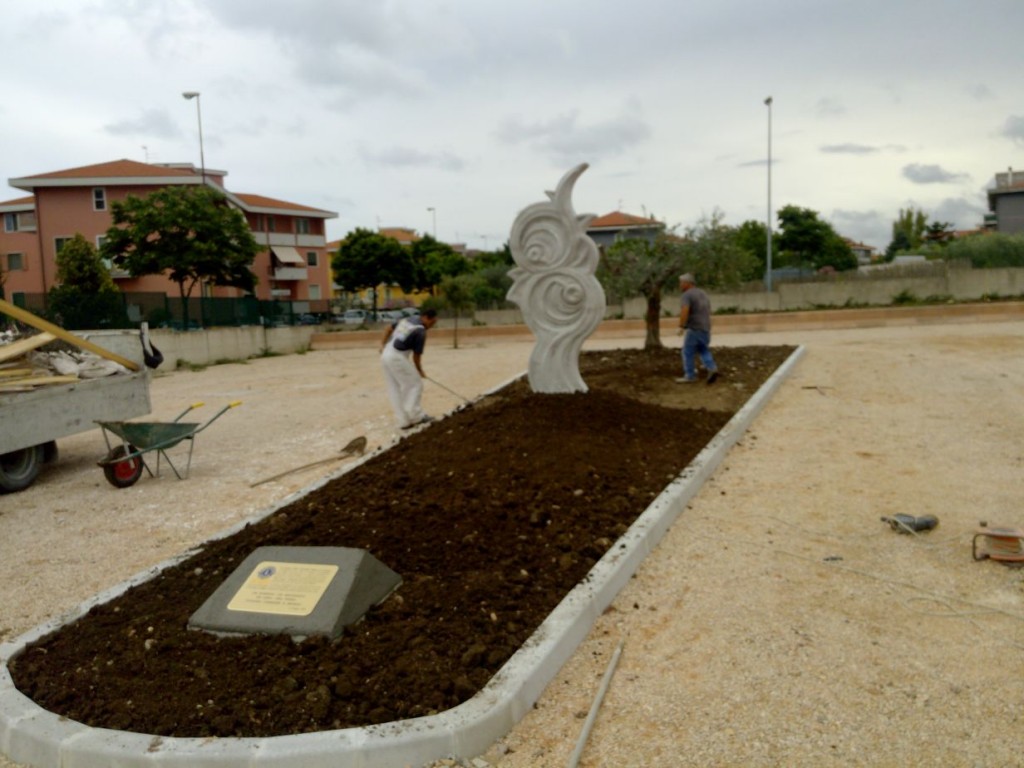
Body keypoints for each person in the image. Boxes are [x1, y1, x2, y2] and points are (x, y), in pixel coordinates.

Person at [380, 308, 439, 429]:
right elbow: (416, 356)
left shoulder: (408, 320)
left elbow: (388, 328)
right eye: (432, 323)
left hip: (386, 354)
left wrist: (382, 345)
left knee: (394, 388)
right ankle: (417, 416)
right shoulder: (420, 332)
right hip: (397, 356)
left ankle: (404, 421)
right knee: (415, 384)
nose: (431, 326)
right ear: (427, 318)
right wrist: (420, 371)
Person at [676, 273, 718, 384]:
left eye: (681, 283)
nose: (680, 285)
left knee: (687, 351)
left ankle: (690, 375)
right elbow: (709, 309)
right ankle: (712, 367)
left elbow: (685, 310)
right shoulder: (703, 293)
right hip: (706, 327)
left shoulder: (687, 295)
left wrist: (681, 326)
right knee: (703, 349)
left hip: (694, 328)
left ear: (687, 283)